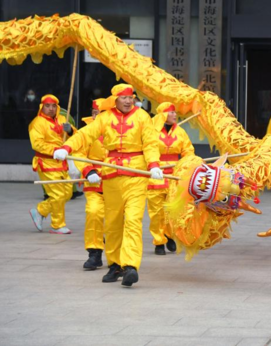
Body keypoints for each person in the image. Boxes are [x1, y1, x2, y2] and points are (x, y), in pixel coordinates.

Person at [53, 84, 161, 287]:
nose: (128, 101)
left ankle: (130, 266)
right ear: (114, 100)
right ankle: (115, 264)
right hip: (111, 176)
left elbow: (150, 143)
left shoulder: (142, 117)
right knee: (112, 224)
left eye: (130, 97)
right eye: (123, 98)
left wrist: (154, 164)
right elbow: (85, 135)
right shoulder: (104, 118)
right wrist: (66, 147)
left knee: (133, 221)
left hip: (136, 175)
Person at [147, 102, 194, 256]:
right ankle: (159, 241)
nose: (175, 115)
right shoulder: (151, 132)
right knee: (156, 212)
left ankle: (169, 234)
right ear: (162, 115)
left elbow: (188, 151)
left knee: (174, 210)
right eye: (171, 112)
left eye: (175, 112)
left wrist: (188, 165)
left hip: (174, 175)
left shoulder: (180, 132)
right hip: (156, 175)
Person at [28, 94, 76, 234]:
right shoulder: (36, 123)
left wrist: (71, 131)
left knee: (67, 193)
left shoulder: (63, 119)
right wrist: (56, 150)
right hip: (46, 162)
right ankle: (57, 225)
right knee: (58, 194)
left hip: (62, 162)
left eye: (53, 106)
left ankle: (40, 211)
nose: (50, 109)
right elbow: (37, 144)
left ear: (57, 107)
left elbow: (77, 136)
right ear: (42, 107)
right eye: (47, 106)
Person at [73, 98, 108, 270]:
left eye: (102, 113)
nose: (98, 117)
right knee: (94, 212)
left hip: (117, 182)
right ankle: (94, 252)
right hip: (94, 181)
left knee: (118, 220)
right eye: (95, 113)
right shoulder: (86, 132)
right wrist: (88, 171)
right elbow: (79, 153)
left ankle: (120, 258)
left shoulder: (120, 130)